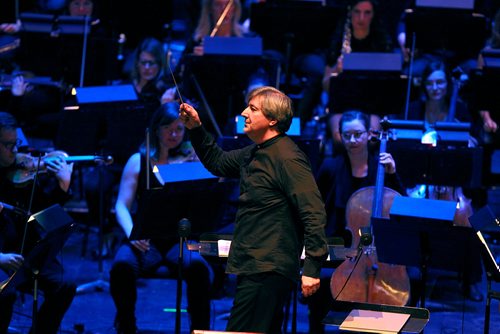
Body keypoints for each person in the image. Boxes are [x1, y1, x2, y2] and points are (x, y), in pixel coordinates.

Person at [179, 86, 329, 333]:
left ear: (272, 119)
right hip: (256, 265)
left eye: (253, 108)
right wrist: (196, 128)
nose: (243, 112)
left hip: (268, 267)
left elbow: (313, 211)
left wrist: (312, 268)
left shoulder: (288, 157)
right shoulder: (254, 153)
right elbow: (218, 162)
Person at [109, 102, 214, 334]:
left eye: (179, 129)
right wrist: (133, 234)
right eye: (168, 129)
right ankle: (126, 325)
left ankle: (200, 329)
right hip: (145, 239)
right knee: (121, 267)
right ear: (156, 129)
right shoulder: (139, 160)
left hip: (179, 239)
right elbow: (121, 206)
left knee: (198, 268)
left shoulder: (191, 160)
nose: (173, 135)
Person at [398, 60, 484, 302]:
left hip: (450, 183)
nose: (435, 87)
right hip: (419, 181)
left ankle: (472, 279)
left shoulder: (461, 110)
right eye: (431, 83)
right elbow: (404, 145)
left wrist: (467, 142)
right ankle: (408, 275)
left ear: (447, 85)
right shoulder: (413, 110)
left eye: (440, 82)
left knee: (467, 219)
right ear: (424, 85)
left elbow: (474, 145)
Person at [311, 110, 404, 333]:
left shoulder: (380, 167)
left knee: (408, 280)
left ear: (369, 135)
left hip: (375, 251)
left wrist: (393, 173)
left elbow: (401, 206)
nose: (353, 141)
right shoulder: (331, 167)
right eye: (347, 135)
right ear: (339, 136)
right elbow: (313, 208)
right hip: (337, 250)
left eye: (358, 134)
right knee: (320, 287)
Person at [0, 112, 76, 334]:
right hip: (2, 256)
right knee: (5, 292)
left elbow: (45, 217)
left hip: (26, 253)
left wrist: (63, 188)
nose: (15, 151)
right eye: (7, 145)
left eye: (17, 144)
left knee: (66, 284)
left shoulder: (24, 175)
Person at [322, 0, 393, 92]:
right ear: (350, 12)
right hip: (344, 97)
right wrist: (336, 70)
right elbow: (325, 86)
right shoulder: (338, 41)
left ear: (373, 15)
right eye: (357, 12)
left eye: (367, 13)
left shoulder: (383, 43)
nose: (361, 18)